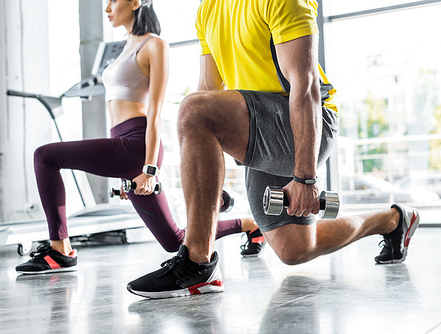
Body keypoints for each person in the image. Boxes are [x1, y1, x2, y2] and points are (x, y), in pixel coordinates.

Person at [126, 0, 421, 299]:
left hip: (307, 123)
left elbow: (304, 86)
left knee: (194, 109)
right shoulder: (208, 9)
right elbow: (209, 89)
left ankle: (197, 264)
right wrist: (204, 185)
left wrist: (306, 178)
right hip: (259, 122)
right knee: (294, 249)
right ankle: (394, 220)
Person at [15, 0, 263, 275]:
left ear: (135, 2)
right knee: (175, 241)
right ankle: (250, 224)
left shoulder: (154, 45)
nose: (107, 8)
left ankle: (60, 250)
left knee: (45, 156)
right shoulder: (124, 49)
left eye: (112, 0)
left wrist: (149, 169)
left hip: (137, 144)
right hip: (124, 148)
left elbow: (155, 112)